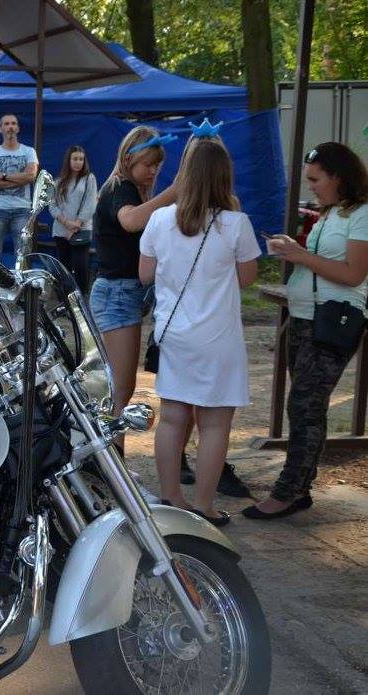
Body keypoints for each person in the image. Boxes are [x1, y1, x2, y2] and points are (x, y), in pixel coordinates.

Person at [139, 136, 260, 526]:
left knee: (172, 417)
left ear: (185, 173)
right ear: (225, 177)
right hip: (218, 336)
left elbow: (145, 274)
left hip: (174, 333)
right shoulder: (236, 224)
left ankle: (171, 496)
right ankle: (205, 505)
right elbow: (247, 278)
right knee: (215, 423)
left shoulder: (159, 219)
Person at [246, 142, 368, 520]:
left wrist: (301, 256)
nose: (311, 187)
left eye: (316, 179)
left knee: (303, 404)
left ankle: (287, 491)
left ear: (338, 176)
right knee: (307, 407)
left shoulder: (362, 214)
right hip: (303, 316)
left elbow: (353, 273)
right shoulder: (331, 212)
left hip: (333, 320)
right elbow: (321, 262)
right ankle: (299, 487)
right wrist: (293, 249)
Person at [90, 126, 177, 453]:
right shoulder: (120, 188)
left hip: (123, 294)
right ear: (128, 160)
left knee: (120, 389)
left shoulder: (130, 189)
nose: (153, 170)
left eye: (157, 165)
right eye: (147, 164)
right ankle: (112, 463)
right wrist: (173, 192)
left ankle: (112, 460)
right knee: (119, 390)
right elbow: (130, 221)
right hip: (117, 294)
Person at [0, 114, 39, 261]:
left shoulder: (29, 151)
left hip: (22, 210)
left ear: (18, 128)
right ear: (0, 129)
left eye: (13, 123)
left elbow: (31, 176)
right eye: (6, 124)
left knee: (23, 256)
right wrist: (20, 179)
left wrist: (2, 175)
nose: (10, 127)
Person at [48, 145, 97, 293]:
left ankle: (82, 297)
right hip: (61, 230)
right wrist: (66, 223)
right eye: (75, 159)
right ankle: (66, 298)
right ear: (68, 160)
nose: (78, 162)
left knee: (81, 266)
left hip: (81, 229)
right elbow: (52, 205)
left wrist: (77, 224)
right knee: (64, 267)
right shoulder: (59, 181)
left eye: (81, 159)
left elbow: (91, 203)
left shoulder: (89, 179)